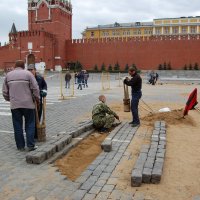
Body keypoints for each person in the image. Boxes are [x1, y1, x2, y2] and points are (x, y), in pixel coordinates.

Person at [2, 60, 40, 151]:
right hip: (28, 104)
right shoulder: (28, 74)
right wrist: (37, 99)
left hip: (15, 105)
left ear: (15, 66)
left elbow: (4, 91)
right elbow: (35, 88)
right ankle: (30, 145)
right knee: (30, 124)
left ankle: (20, 146)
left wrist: (9, 99)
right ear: (24, 66)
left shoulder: (8, 75)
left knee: (17, 125)